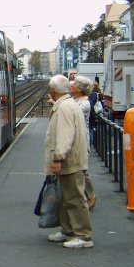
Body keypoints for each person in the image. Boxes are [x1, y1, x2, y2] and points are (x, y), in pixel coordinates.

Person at [44, 74, 92, 249]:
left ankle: (83, 235)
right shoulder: (67, 104)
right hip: (72, 160)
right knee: (66, 198)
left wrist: (58, 158)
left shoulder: (63, 108)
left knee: (75, 199)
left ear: (53, 90)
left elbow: (65, 137)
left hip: (71, 162)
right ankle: (68, 230)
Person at [70, 76, 97, 210]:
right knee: (79, 169)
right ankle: (83, 196)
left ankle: (90, 196)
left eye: (74, 84)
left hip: (81, 140)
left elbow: (72, 115)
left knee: (82, 170)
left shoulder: (84, 104)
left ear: (80, 89)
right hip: (74, 139)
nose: (71, 85)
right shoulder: (75, 100)